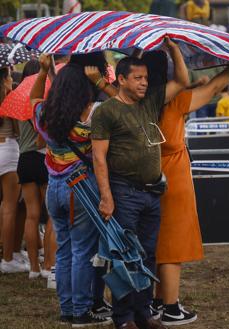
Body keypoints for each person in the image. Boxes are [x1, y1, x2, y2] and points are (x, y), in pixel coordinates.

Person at [90, 37, 189, 329]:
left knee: (147, 254)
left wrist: (173, 51)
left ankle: (144, 313)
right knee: (124, 257)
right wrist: (106, 197)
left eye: (146, 77)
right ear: (121, 80)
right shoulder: (107, 111)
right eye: (137, 78)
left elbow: (182, 80)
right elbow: (99, 158)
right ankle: (124, 318)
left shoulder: (149, 102)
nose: (144, 83)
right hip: (124, 192)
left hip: (151, 193)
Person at [142, 50, 229, 326]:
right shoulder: (176, 102)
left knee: (156, 244)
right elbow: (216, 88)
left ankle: (158, 301)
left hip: (147, 177)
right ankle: (171, 308)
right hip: (174, 179)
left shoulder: (137, 102)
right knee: (173, 246)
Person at [30, 54, 112, 327]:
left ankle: (67, 309)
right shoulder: (94, 114)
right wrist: (99, 80)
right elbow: (123, 108)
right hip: (81, 190)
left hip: (53, 187)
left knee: (63, 250)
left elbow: (33, 100)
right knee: (82, 251)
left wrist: (44, 73)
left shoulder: (47, 115)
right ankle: (81, 311)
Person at [17, 59, 56, 279]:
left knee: (31, 216)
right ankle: (49, 265)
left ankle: (33, 267)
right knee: (52, 217)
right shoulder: (43, 103)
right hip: (43, 160)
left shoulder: (21, 99)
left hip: (24, 161)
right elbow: (42, 141)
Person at [0, 67, 28, 273]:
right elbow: (18, 129)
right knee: (9, 207)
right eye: (9, 75)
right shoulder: (9, 97)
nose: (11, 78)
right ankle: (8, 258)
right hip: (8, 149)